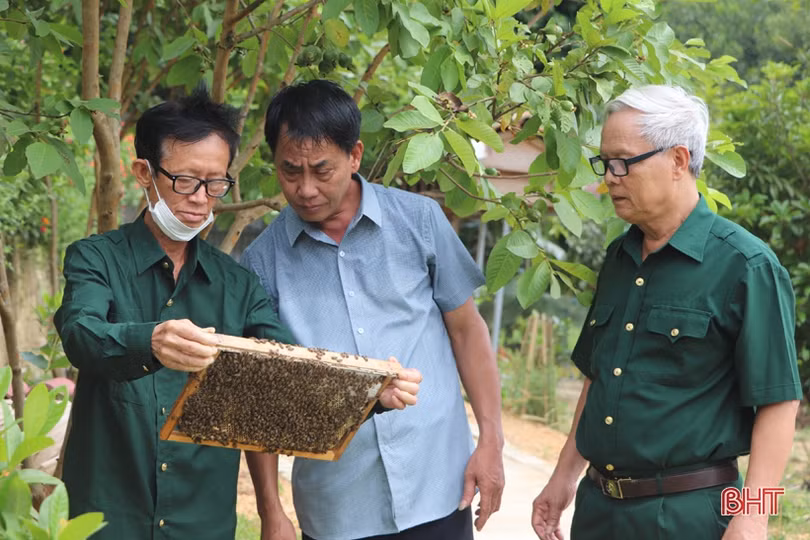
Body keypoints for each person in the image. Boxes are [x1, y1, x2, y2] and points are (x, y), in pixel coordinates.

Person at [54, 87, 420, 540]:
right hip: (106, 520)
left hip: (202, 524)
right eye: (185, 180)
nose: (200, 198)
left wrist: (372, 394)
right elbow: (81, 333)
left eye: (215, 184)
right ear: (144, 173)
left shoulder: (237, 285)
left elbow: (292, 380)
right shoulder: (95, 258)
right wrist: (150, 342)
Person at [531, 85, 802, 540]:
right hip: (598, 510)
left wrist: (755, 517)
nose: (609, 178)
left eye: (623, 162)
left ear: (678, 160)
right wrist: (564, 475)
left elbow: (779, 401)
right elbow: (600, 378)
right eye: (604, 163)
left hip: (688, 515)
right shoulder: (619, 257)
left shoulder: (746, 266)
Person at [241, 79, 505, 540]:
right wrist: (271, 511)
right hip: (337, 505)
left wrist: (491, 440)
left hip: (436, 483)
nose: (305, 188)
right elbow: (260, 393)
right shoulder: (262, 261)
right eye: (290, 171)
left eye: (321, 170)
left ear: (355, 155)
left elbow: (467, 331)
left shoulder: (420, 221)